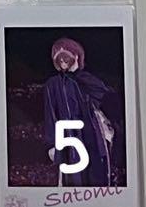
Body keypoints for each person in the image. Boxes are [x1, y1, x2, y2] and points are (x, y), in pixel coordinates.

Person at [43, 37, 118, 188]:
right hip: (69, 138)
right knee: (73, 178)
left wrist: (78, 73)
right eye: (59, 58)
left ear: (76, 56)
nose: (62, 61)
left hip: (91, 135)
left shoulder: (86, 80)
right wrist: (52, 144)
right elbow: (50, 113)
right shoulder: (53, 84)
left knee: (96, 175)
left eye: (66, 57)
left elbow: (105, 97)